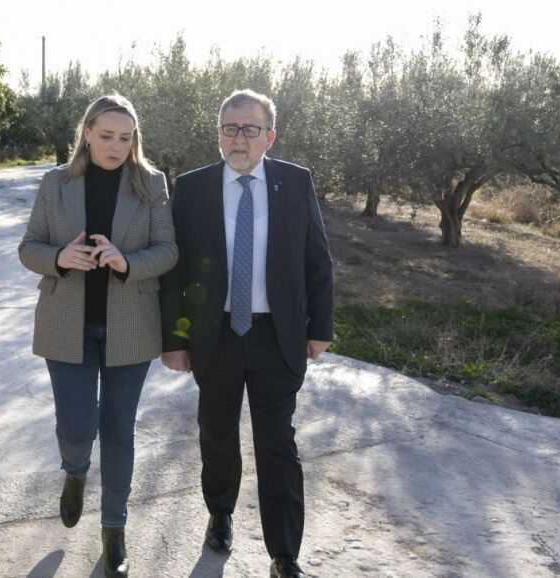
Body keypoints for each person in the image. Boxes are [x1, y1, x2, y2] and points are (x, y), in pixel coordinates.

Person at [159, 89, 334, 578]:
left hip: (276, 336)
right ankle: (220, 513)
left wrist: (320, 328)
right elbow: (175, 272)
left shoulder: (295, 182)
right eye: (230, 129)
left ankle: (285, 555)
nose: (239, 139)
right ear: (218, 134)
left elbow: (317, 260)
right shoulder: (191, 187)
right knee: (217, 434)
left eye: (250, 129)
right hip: (214, 336)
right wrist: (174, 339)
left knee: (277, 443)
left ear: (269, 136)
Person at [18, 93, 178, 578]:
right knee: (75, 428)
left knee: (118, 431)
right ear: (87, 133)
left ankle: (114, 530)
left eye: (125, 138)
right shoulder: (56, 183)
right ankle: (75, 472)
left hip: (131, 327)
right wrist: (58, 257)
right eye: (106, 136)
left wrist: (127, 262)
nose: (115, 147)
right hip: (67, 325)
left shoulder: (151, 183)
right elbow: (29, 247)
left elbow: (167, 250)